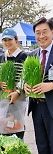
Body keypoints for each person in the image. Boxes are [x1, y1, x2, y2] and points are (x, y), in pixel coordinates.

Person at [24, 17, 53, 154]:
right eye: (37, 33)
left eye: (44, 32)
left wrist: (51, 85)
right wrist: (25, 86)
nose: (41, 36)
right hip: (37, 106)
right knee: (41, 145)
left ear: (52, 32)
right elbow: (25, 78)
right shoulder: (32, 55)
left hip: (52, 106)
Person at [0, 28, 27, 139]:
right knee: (4, 128)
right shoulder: (2, 57)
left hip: (18, 98)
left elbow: (25, 76)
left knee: (17, 128)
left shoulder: (23, 56)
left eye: (10, 39)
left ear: (16, 40)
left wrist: (17, 91)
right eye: (5, 40)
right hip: (3, 98)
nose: (7, 43)